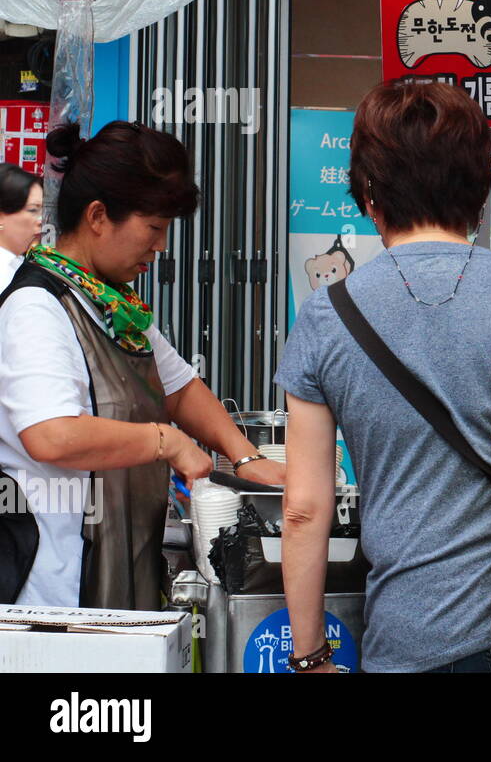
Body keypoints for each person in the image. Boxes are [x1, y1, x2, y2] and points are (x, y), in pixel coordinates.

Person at [277, 81, 491, 673]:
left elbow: (304, 509)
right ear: (480, 190)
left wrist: (309, 658)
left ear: (368, 191)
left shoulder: (328, 317)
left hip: (409, 640)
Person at [0, 123, 283, 610]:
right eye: (153, 228)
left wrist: (246, 457)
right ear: (97, 216)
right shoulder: (36, 306)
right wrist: (165, 441)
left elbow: (179, 388)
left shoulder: (113, 305)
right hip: (53, 588)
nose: (160, 246)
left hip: (120, 565)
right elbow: (51, 435)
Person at [0, 164, 43, 291]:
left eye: (42, 210)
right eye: (33, 210)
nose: (41, 221)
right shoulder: (5, 277)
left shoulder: (17, 264)